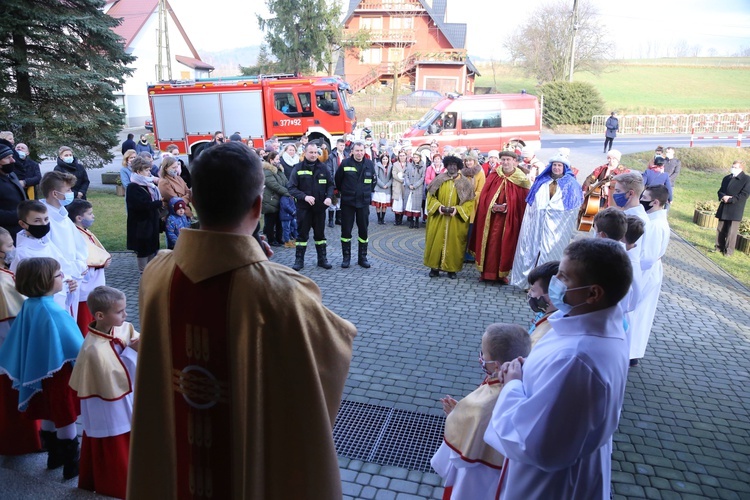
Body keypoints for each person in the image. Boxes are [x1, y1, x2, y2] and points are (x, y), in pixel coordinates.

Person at [127, 141, 356, 499]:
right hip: (248, 473)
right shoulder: (282, 292)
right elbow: (329, 358)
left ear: (193, 201)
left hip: (174, 469)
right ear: (258, 206)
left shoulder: (156, 273)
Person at [484, 238, 633, 499]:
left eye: (563, 277)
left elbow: (535, 444)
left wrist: (513, 385)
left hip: (551, 483)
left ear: (593, 293)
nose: (556, 283)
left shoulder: (577, 360)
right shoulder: (592, 323)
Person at [0, 257, 84, 480]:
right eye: (59, 275)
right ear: (44, 281)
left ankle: (54, 456)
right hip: (60, 372)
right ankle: (71, 463)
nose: (63, 277)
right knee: (65, 415)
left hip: (39, 373)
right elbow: (77, 346)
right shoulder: (52, 311)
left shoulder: (29, 305)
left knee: (48, 410)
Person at [431, 324, 531, 500]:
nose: (481, 357)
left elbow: (463, 451)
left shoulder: (483, 405)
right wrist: (462, 413)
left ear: (496, 365)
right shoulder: (524, 381)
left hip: (476, 477)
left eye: (483, 353)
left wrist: (457, 416)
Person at [68, 286, 138, 499]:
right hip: (105, 403)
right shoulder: (92, 349)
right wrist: (132, 352)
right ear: (100, 315)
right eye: (120, 312)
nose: (125, 316)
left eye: (125, 310)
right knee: (112, 444)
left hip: (124, 397)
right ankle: (115, 486)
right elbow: (117, 373)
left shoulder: (122, 328)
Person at [510, 152, 583, 289]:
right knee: (531, 251)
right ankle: (528, 282)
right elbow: (532, 204)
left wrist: (553, 213)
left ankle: (548, 285)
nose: (556, 168)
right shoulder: (542, 181)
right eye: (554, 165)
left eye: (559, 165)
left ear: (564, 168)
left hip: (556, 227)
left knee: (550, 252)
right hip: (536, 222)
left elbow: (572, 208)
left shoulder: (571, 184)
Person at [0, 226, 41, 457]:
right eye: (8, 246)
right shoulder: (3, 283)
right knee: (12, 401)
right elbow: (11, 323)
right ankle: (20, 443)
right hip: (8, 354)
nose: (13, 250)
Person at [470, 151, 530, 284]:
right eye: (503, 160)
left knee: (505, 245)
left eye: (508, 160)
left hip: (509, 221)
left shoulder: (521, 179)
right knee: (489, 243)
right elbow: (485, 196)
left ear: (515, 161)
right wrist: (492, 205)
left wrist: (510, 207)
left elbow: (523, 202)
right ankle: (485, 273)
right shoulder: (494, 175)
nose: (506, 162)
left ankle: (502, 275)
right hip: (490, 219)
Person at [12, 200, 79, 313]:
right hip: (42, 309)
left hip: (60, 302)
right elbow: (23, 288)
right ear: (23, 224)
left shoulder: (47, 243)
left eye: (46, 219)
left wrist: (69, 281)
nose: (43, 224)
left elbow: (63, 267)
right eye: (37, 220)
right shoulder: (22, 254)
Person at [40, 171, 89, 318]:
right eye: (67, 190)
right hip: (62, 278)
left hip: (75, 274)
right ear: (55, 194)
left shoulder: (62, 213)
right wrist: (70, 271)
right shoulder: (43, 218)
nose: (71, 193)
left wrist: (81, 262)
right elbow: (50, 251)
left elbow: (77, 242)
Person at [424, 155, 475, 279]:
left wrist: (457, 210)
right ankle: (434, 268)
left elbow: (469, 202)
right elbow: (431, 197)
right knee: (435, 242)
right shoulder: (439, 179)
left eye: (454, 165)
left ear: (458, 167)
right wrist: (438, 207)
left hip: (455, 221)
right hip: (438, 218)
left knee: (455, 244)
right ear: (446, 166)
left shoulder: (465, 183)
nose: (452, 167)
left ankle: (452, 269)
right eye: (450, 165)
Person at [67, 200, 111, 334]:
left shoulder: (84, 231)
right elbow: (85, 259)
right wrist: (100, 264)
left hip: (93, 286)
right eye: (90, 214)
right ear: (79, 218)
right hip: (85, 290)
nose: (93, 216)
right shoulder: (75, 235)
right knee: (85, 325)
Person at [288, 142, 334, 270]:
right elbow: (291, 188)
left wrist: (329, 197)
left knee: (320, 235)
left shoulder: (323, 168)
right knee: (302, 235)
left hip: (319, 208)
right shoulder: (298, 168)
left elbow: (331, 184)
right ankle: (299, 260)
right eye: (311, 152)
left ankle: (322, 259)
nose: (314, 155)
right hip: (304, 209)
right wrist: (304, 197)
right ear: (305, 153)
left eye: (315, 152)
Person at [335, 141, 376, 268]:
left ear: (364, 151)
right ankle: (346, 258)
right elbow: (338, 180)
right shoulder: (345, 163)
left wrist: (365, 192)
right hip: (348, 202)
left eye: (361, 150)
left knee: (363, 230)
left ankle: (362, 258)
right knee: (346, 230)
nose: (359, 153)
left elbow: (373, 181)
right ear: (352, 151)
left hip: (363, 203)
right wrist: (347, 192)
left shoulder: (369, 164)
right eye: (357, 150)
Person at [125, 157, 162, 273]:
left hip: (151, 222)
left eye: (149, 170)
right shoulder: (133, 187)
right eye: (146, 170)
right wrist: (159, 203)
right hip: (141, 225)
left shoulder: (148, 184)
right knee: (143, 250)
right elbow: (140, 206)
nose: (149, 173)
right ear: (138, 171)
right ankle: (144, 274)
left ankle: (151, 272)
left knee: (152, 249)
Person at [715, 160, 750, 256]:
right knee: (720, 228)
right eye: (732, 167)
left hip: (735, 208)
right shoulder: (727, 178)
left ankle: (728, 251)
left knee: (731, 231)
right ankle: (718, 247)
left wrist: (731, 199)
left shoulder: (746, 179)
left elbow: (744, 194)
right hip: (724, 206)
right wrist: (723, 197)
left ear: (741, 168)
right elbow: (720, 190)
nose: (733, 169)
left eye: (735, 167)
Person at [525, 261, 559, 347]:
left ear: (551, 295)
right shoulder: (546, 313)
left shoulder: (541, 336)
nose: (529, 293)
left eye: (533, 290)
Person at [262, 151, 289, 247]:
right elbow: (274, 186)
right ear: (271, 160)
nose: (279, 161)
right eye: (277, 159)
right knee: (270, 221)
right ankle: (271, 239)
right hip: (271, 199)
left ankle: (278, 238)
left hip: (279, 199)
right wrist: (287, 192)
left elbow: (286, 182)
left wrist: (290, 189)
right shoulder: (267, 171)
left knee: (279, 220)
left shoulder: (279, 170)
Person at [0, 143, 27, 242]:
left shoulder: (11, 175)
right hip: (6, 236)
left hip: (21, 230)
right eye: (8, 158)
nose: (13, 160)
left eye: (12, 157)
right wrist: (21, 215)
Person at [404, 152, 426, 229]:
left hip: (417, 189)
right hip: (409, 188)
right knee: (410, 205)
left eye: (417, 157)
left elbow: (422, 178)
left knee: (416, 206)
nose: (415, 159)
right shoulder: (409, 165)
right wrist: (409, 184)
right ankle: (411, 221)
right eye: (414, 157)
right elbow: (406, 175)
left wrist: (415, 185)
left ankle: (417, 220)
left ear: (420, 158)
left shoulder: (423, 166)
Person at [372, 152, 393, 225]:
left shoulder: (391, 166)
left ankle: (383, 218)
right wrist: (382, 185)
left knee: (384, 205)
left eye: (386, 159)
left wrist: (387, 185)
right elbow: (376, 176)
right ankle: (378, 218)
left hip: (387, 188)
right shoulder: (377, 166)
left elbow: (392, 178)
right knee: (378, 204)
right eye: (383, 159)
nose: (385, 160)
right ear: (381, 159)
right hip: (379, 187)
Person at [391, 151, 409, 226]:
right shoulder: (395, 164)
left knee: (403, 202)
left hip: (405, 186)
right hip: (397, 185)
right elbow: (394, 174)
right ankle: (396, 219)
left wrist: (405, 179)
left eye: (403, 155)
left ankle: (401, 219)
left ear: (406, 156)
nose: (402, 157)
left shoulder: (409, 165)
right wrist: (401, 179)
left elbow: (408, 173)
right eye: (400, 156)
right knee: (397, 202)